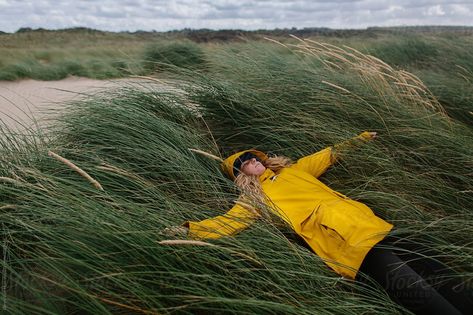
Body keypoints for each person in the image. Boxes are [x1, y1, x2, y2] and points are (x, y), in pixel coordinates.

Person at [164, 131, 470, 314]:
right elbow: (228, 223)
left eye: (251, 156)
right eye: (242, 164)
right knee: (416, 291)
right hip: (348, 246)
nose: (250, 162)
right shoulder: (254, 200)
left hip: (371, 224)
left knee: (434, 266)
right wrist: (190, 229)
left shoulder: (295, 170)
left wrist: (361, 138)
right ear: (241, 174)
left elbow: (328, 154)